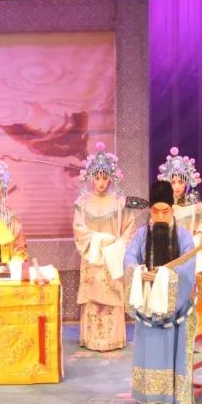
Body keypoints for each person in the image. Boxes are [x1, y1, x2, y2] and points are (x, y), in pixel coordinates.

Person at [124, 180, 199, 404]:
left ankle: (177, 401)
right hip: (149, 309)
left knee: (176, 352)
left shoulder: (184, 237)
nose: (160, 216)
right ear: (150, 211)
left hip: (176, 310)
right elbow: (129, 258)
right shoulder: (141, 235)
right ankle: (150, 398)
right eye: (155, 211)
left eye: (165, 211)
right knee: (150, 352)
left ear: (172, 210)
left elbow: (188, 267)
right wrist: (138, 272)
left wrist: (165, 276)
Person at [73, 143, 135, 351]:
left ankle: (112, 339)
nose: (101, 182)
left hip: (112, 257)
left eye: (104, 177)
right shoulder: (82, 202)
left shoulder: (120, 202)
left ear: (111, 178)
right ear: (91, 177)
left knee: (111, 296)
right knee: (92, 297)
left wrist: (117, 246)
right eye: (97, 177)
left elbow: (129, 229)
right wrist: (98, 241)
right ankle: (91, 338)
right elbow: (79, 229)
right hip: (92, 258)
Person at [159, 148, 202, 274]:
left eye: (181, 182)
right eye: (173, 182)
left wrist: (189, 244)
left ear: (186, 182)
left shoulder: (197, 206)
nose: (177, 186)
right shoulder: (162, 207)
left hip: (189, 254)